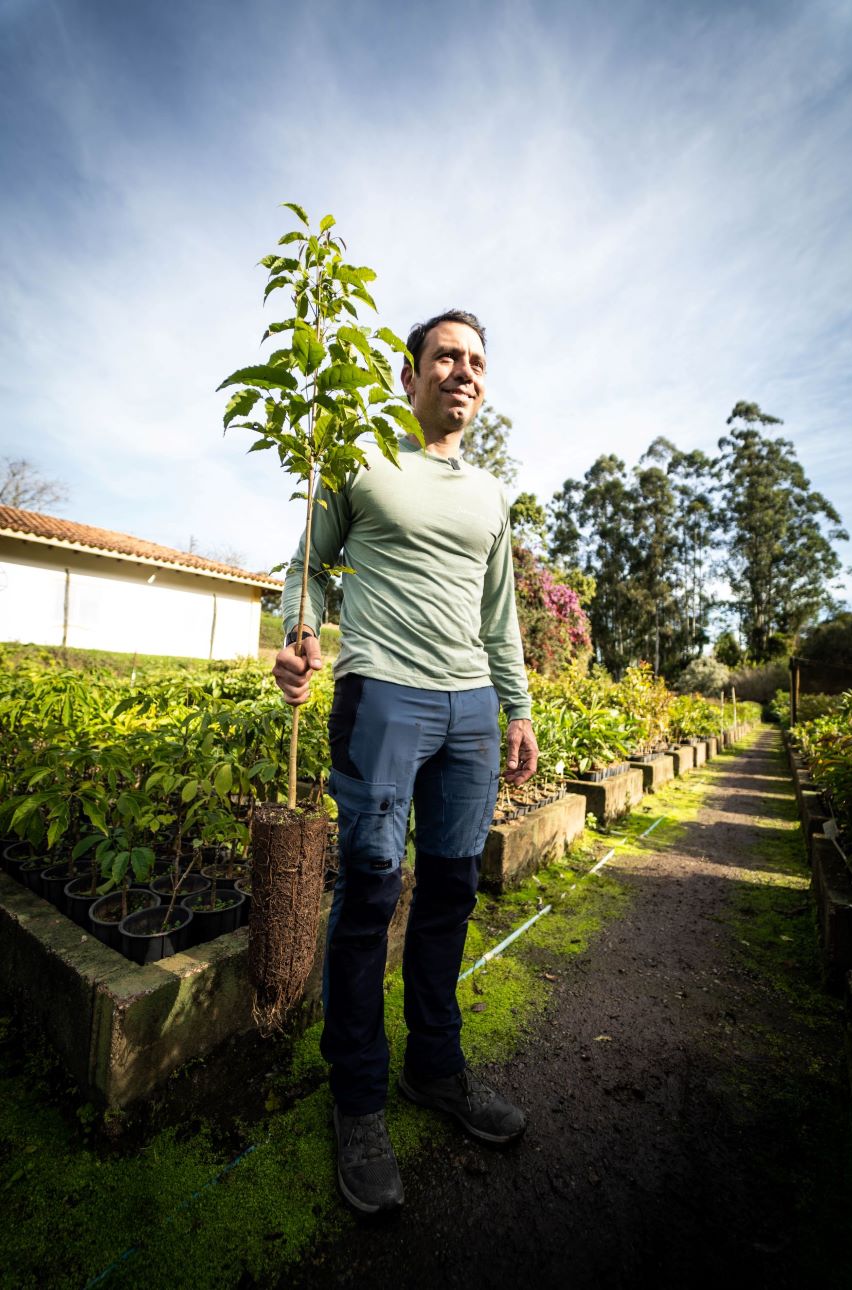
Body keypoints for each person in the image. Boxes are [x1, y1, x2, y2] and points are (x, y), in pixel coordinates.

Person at [273, 309, 538, 1215]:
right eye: (445, 356)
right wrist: (299, 635)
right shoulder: (360, 455)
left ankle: (438, 1068)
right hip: (381, 695)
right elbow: (306, 565)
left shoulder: (491, 493)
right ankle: (358, 1098)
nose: (462, 371)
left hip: (469, 710)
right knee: (371, 894)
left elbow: (499, 613)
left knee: (453, 891)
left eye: (476, 361)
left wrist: (519, 707)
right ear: (409, 373)